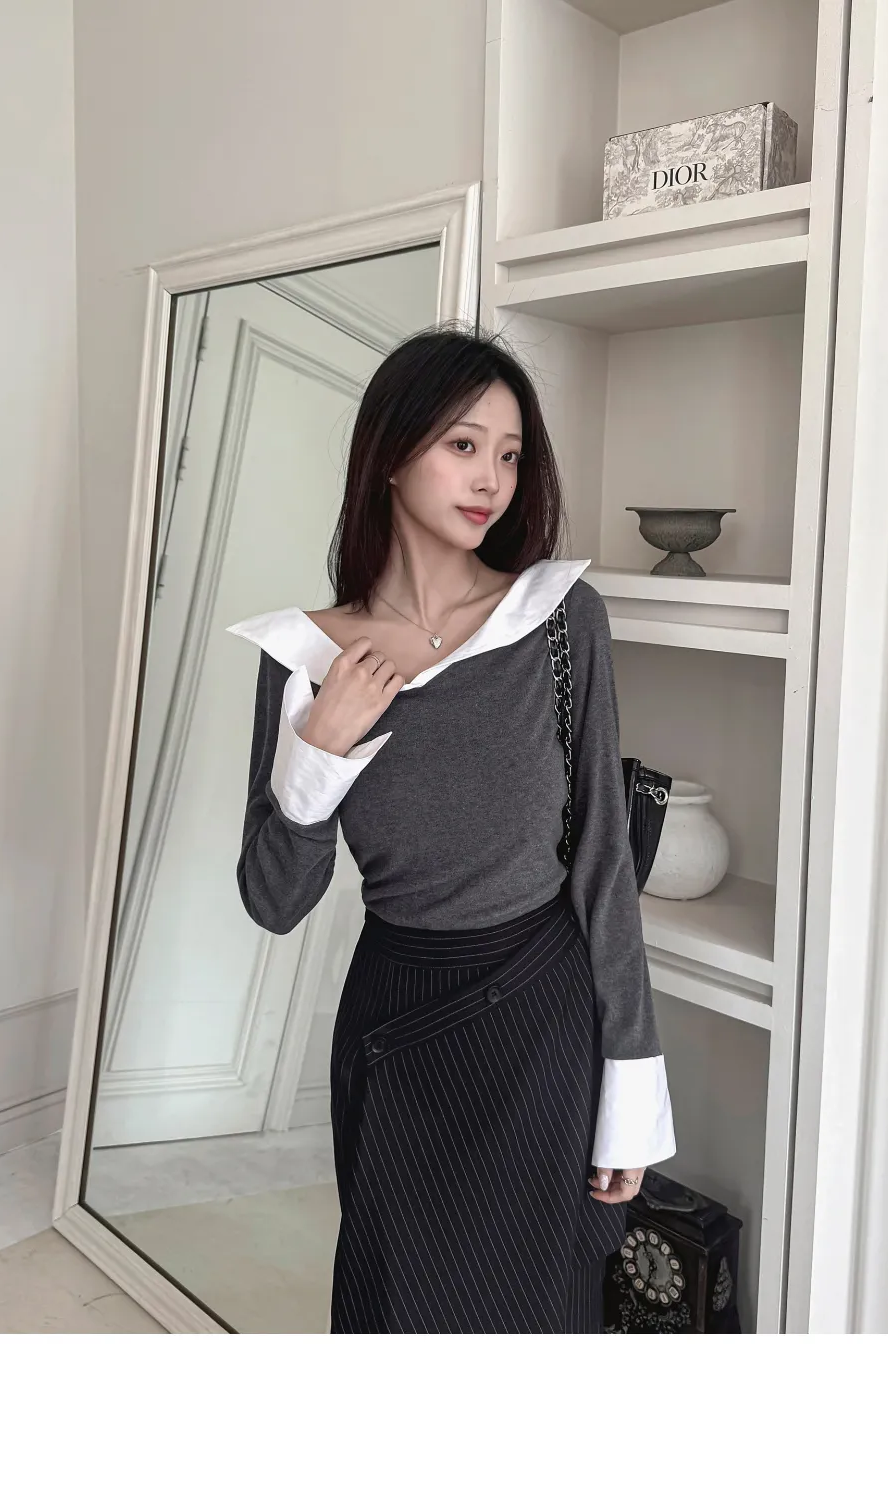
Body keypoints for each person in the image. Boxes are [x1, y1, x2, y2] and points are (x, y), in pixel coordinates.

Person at [229, 323, 675, 1334]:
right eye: (463, 445)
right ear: (391, 454)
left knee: (541, 1312)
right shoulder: (306, 658)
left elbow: (603, 864)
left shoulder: (558, 618)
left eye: (509, 454)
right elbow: (274, 898)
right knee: (397, 1308)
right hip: (399, 1023)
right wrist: (319, 747)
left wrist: (631, 1089)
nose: (491, 480)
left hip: (543, 1016)